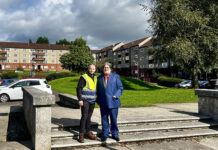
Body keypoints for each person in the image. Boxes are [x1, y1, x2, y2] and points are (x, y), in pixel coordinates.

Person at [97, 62, 124, 142]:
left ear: (110, 69)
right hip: (103, 102)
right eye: (104, 67)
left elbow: (120, 88)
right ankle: (105, 134)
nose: (105, 69)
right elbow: (98, 90)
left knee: (113, 119)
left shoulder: (116, 77)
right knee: (104, 119)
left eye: (107, 67)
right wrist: (98, 100)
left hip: (113, 101)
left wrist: (116, 95)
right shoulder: (99, 77)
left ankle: (115, 134)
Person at [77, 64, 97, 143]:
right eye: (90, 68)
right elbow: (79, 88)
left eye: (93, 69)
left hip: (92, 100)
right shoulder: (84, 77)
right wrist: (80, 99)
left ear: (95, 70)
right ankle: (81, 135)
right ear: (88, 69)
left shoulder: (95, 77)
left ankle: (88, 132)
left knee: (89, 117)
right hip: (85, 100)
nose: (92, 70)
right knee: (84, 117)